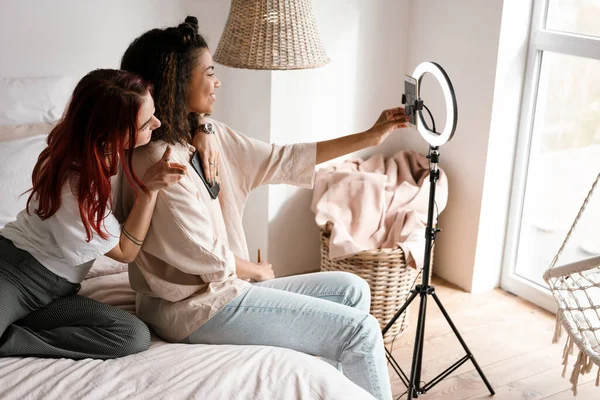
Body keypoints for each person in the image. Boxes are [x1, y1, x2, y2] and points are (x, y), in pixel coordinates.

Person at [119, 17, 407, 399]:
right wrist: (256, 270)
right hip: (193, 310)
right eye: (209, 73)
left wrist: (369, 137)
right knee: (361, 330)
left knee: (353, 289)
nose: (217, 82)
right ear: (177, 83)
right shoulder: (159, 162)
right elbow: (205, 255)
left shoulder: (203, 133)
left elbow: (282, 158)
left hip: (221, 291)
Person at [0, 69, 187, 360]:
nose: (157, 123)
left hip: (55, 292)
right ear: (114, 132)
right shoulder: (74, 185)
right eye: (146, 122)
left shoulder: (105, 152)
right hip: (14, 274)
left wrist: (205, 132)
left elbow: (189, 122)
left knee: (131, 335)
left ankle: (12, 334)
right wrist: (148, 192)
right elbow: (125, 252)